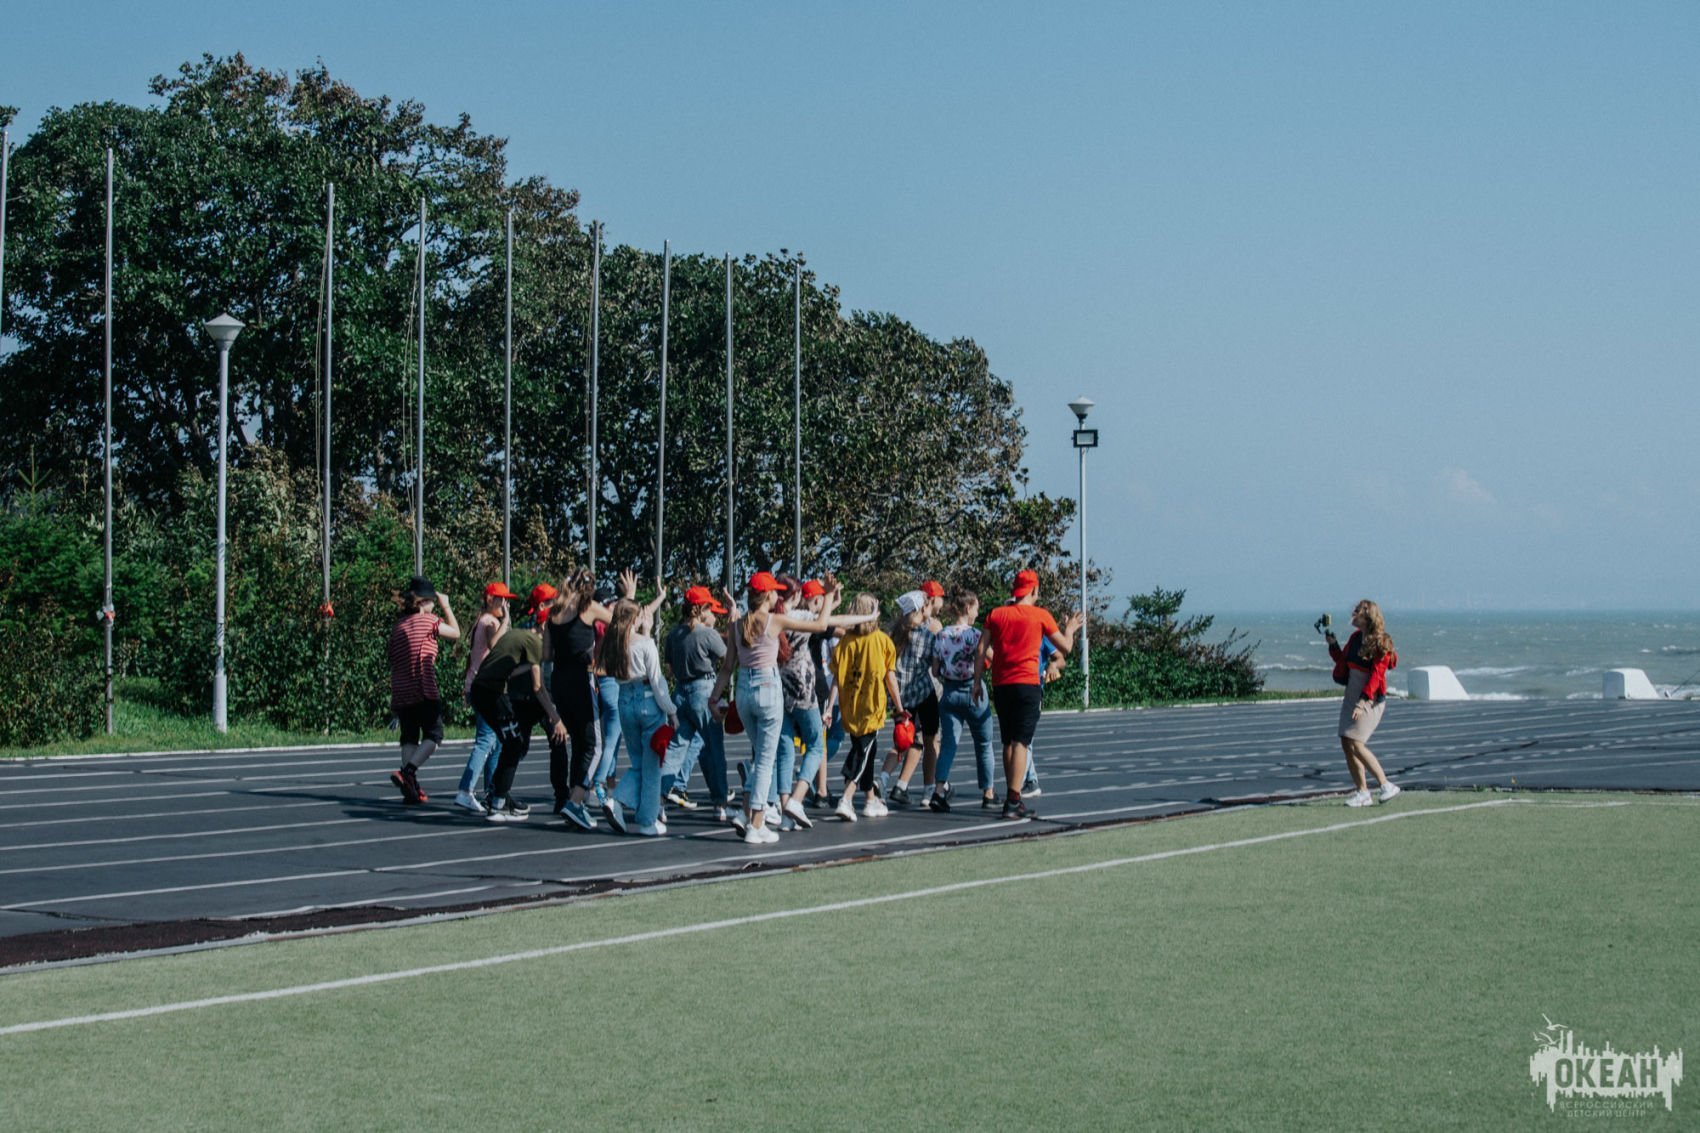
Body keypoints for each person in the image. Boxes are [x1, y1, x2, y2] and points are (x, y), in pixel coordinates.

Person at [712, 571, 872, 845]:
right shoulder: (774, 621)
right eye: (774, 591)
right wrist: (829, 593)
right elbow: (821, 624)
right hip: (767, 687)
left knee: (762, 756)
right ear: (767, 596)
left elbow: (727, 668)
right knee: (766, 760)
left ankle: (746, 812)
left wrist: (714, 699)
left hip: (745, 690)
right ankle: (756, 825)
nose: (778, 595)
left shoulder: (738, 625)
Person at [974, 569, 1081, 821]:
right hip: (1027, 684)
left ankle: (1012, 794)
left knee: (1008, 741)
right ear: (1033, 590)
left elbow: (981, 649)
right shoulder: (1040, 615)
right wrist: (1070, 628)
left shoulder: (996, 614)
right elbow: (1065, 648)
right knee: (1021, 742)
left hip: (1002, 684)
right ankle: (1013, 799)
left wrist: (976, 682)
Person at [469, 613, 569, 822]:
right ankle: (498, 801)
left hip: (490, 691)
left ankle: (498, 796)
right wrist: (556, 717)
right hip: (502, 694)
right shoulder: (534, 640)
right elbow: (538, 686)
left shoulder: (520, 635)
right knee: (514, 745)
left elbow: (514, 669)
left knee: (513, 744)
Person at [600, 595, 679, 836]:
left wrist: (646, 630)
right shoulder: (645, 644)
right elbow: (657, 681)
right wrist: (671, 711)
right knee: (652, 766)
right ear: (634, 619)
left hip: (624, 700)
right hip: (647, 701)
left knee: (639, 762)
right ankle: (645, 820)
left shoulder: (612, 645)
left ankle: (621, 804)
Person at [543, 570, 616, 830]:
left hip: (559, 681)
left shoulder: (552, 614)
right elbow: (618, 622)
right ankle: (575, 802)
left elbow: (546, 654)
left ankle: (574, 801)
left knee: (579, 743)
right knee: (595, 745)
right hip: (581, 679)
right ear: (589, 587)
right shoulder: (588, 607)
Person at [773, 576, 842, 830]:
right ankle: (799, 796)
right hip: (805, 686)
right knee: (816, 745)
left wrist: (831, 600)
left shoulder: (773, 616)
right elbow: (830, 624)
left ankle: (785, 809)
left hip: (780, 687)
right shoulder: (802, 619)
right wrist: (865, 617)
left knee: (785, 747)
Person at [387, 576, 462, 805]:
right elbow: (456, 633)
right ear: (422, 603)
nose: (433, 605)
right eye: (431, 601)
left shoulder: (398, 626)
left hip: (401, 690)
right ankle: (408, 772)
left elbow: (392, 658)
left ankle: (410, 787)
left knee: (409, 737)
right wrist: (446, 606)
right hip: (423, 687)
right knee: (434, 735)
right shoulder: (428, 621)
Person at [661, 585, 733, 820]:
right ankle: (720, 803)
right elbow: (729, 658)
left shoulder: (673, 635)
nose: (712, 613)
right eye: (709, 608)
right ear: (701, 610)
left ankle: (658, 800)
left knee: (675, 749)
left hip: (680, 693)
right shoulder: (707, 634)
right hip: (704, 691)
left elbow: (669, 670)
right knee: (714, 749)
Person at [832, 593, 902, 821]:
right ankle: (846, 798)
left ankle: (870, 799)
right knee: (862, 754)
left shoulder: (844, 643)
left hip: (850, 706)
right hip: (871, 706)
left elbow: (837, 678)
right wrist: (900, 707)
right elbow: (890, 678)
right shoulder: (882, 641)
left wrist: (829, 706)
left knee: (867, 751)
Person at [1326, 600, 1401, 807]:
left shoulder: (1382, 643)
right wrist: (1333, 644)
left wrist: (1362, 703)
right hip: (1352, 695)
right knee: (1346, 742)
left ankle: (1386, 785)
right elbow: (1343, 661)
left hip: (1370, 699)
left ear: (1367, 617)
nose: (1353, 613)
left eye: (1357, 611)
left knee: (1356, 743)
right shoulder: (1355, 638)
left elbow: (1376, 677)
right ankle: (1362, 792)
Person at [455, 582, 517, 814]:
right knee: (486, 739)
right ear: (490, 599)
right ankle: (465, 790)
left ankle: (493, 789)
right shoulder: (490, 621)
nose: (505, 604)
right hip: (486, 687)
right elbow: (494, 644)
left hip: (480, 685)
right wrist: (506, 622)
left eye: (507, 600)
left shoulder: (482, 620)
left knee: (498, 741)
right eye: (501, 599)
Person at [931, 590, 994, 812]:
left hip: (949, 693)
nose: (977, 612)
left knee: (948, 744)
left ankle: (939, 791)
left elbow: (935, 670)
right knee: (984, 743)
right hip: (973, 690)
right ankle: (988, 793)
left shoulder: (941, 635)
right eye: (976, 608)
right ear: (967, 608)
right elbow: (992, 657)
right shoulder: (976, 635)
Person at [880, 590, 939, 805]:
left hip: (901, 697)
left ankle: (883, 779)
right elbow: (935, 669)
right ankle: (929, 789)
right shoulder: (927, 636)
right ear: (922, 608)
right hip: (924, 693)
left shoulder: (892, 634)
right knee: (931, 740)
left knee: (901, 742)